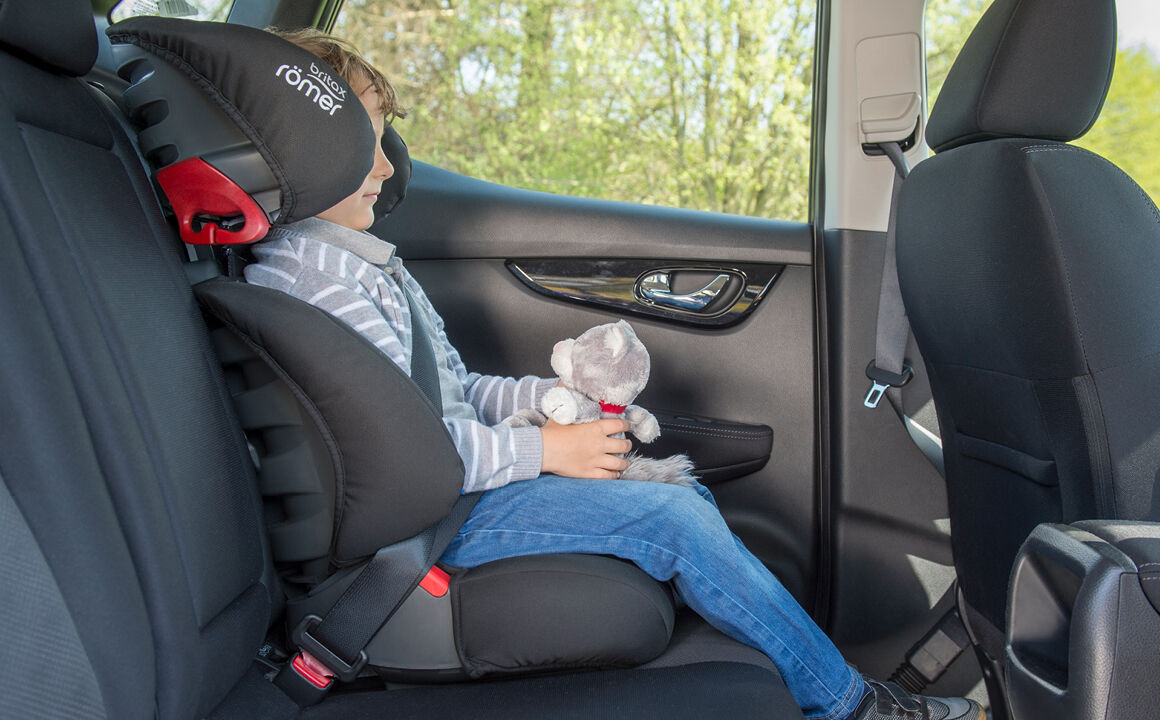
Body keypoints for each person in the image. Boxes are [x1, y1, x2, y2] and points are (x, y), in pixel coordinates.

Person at [245, 28, 984, 720]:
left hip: (451, 492)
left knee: (675, 492)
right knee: (670, 519)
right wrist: (545, 451)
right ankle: (851, 705)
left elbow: (452, 391)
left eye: (385, 142)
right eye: (365, 146)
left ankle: (794, 668)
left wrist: (550, 401)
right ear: (299, 152)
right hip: (425, 526)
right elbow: (404, 456)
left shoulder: (363, 265)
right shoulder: (311, 282)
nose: (386, 166)